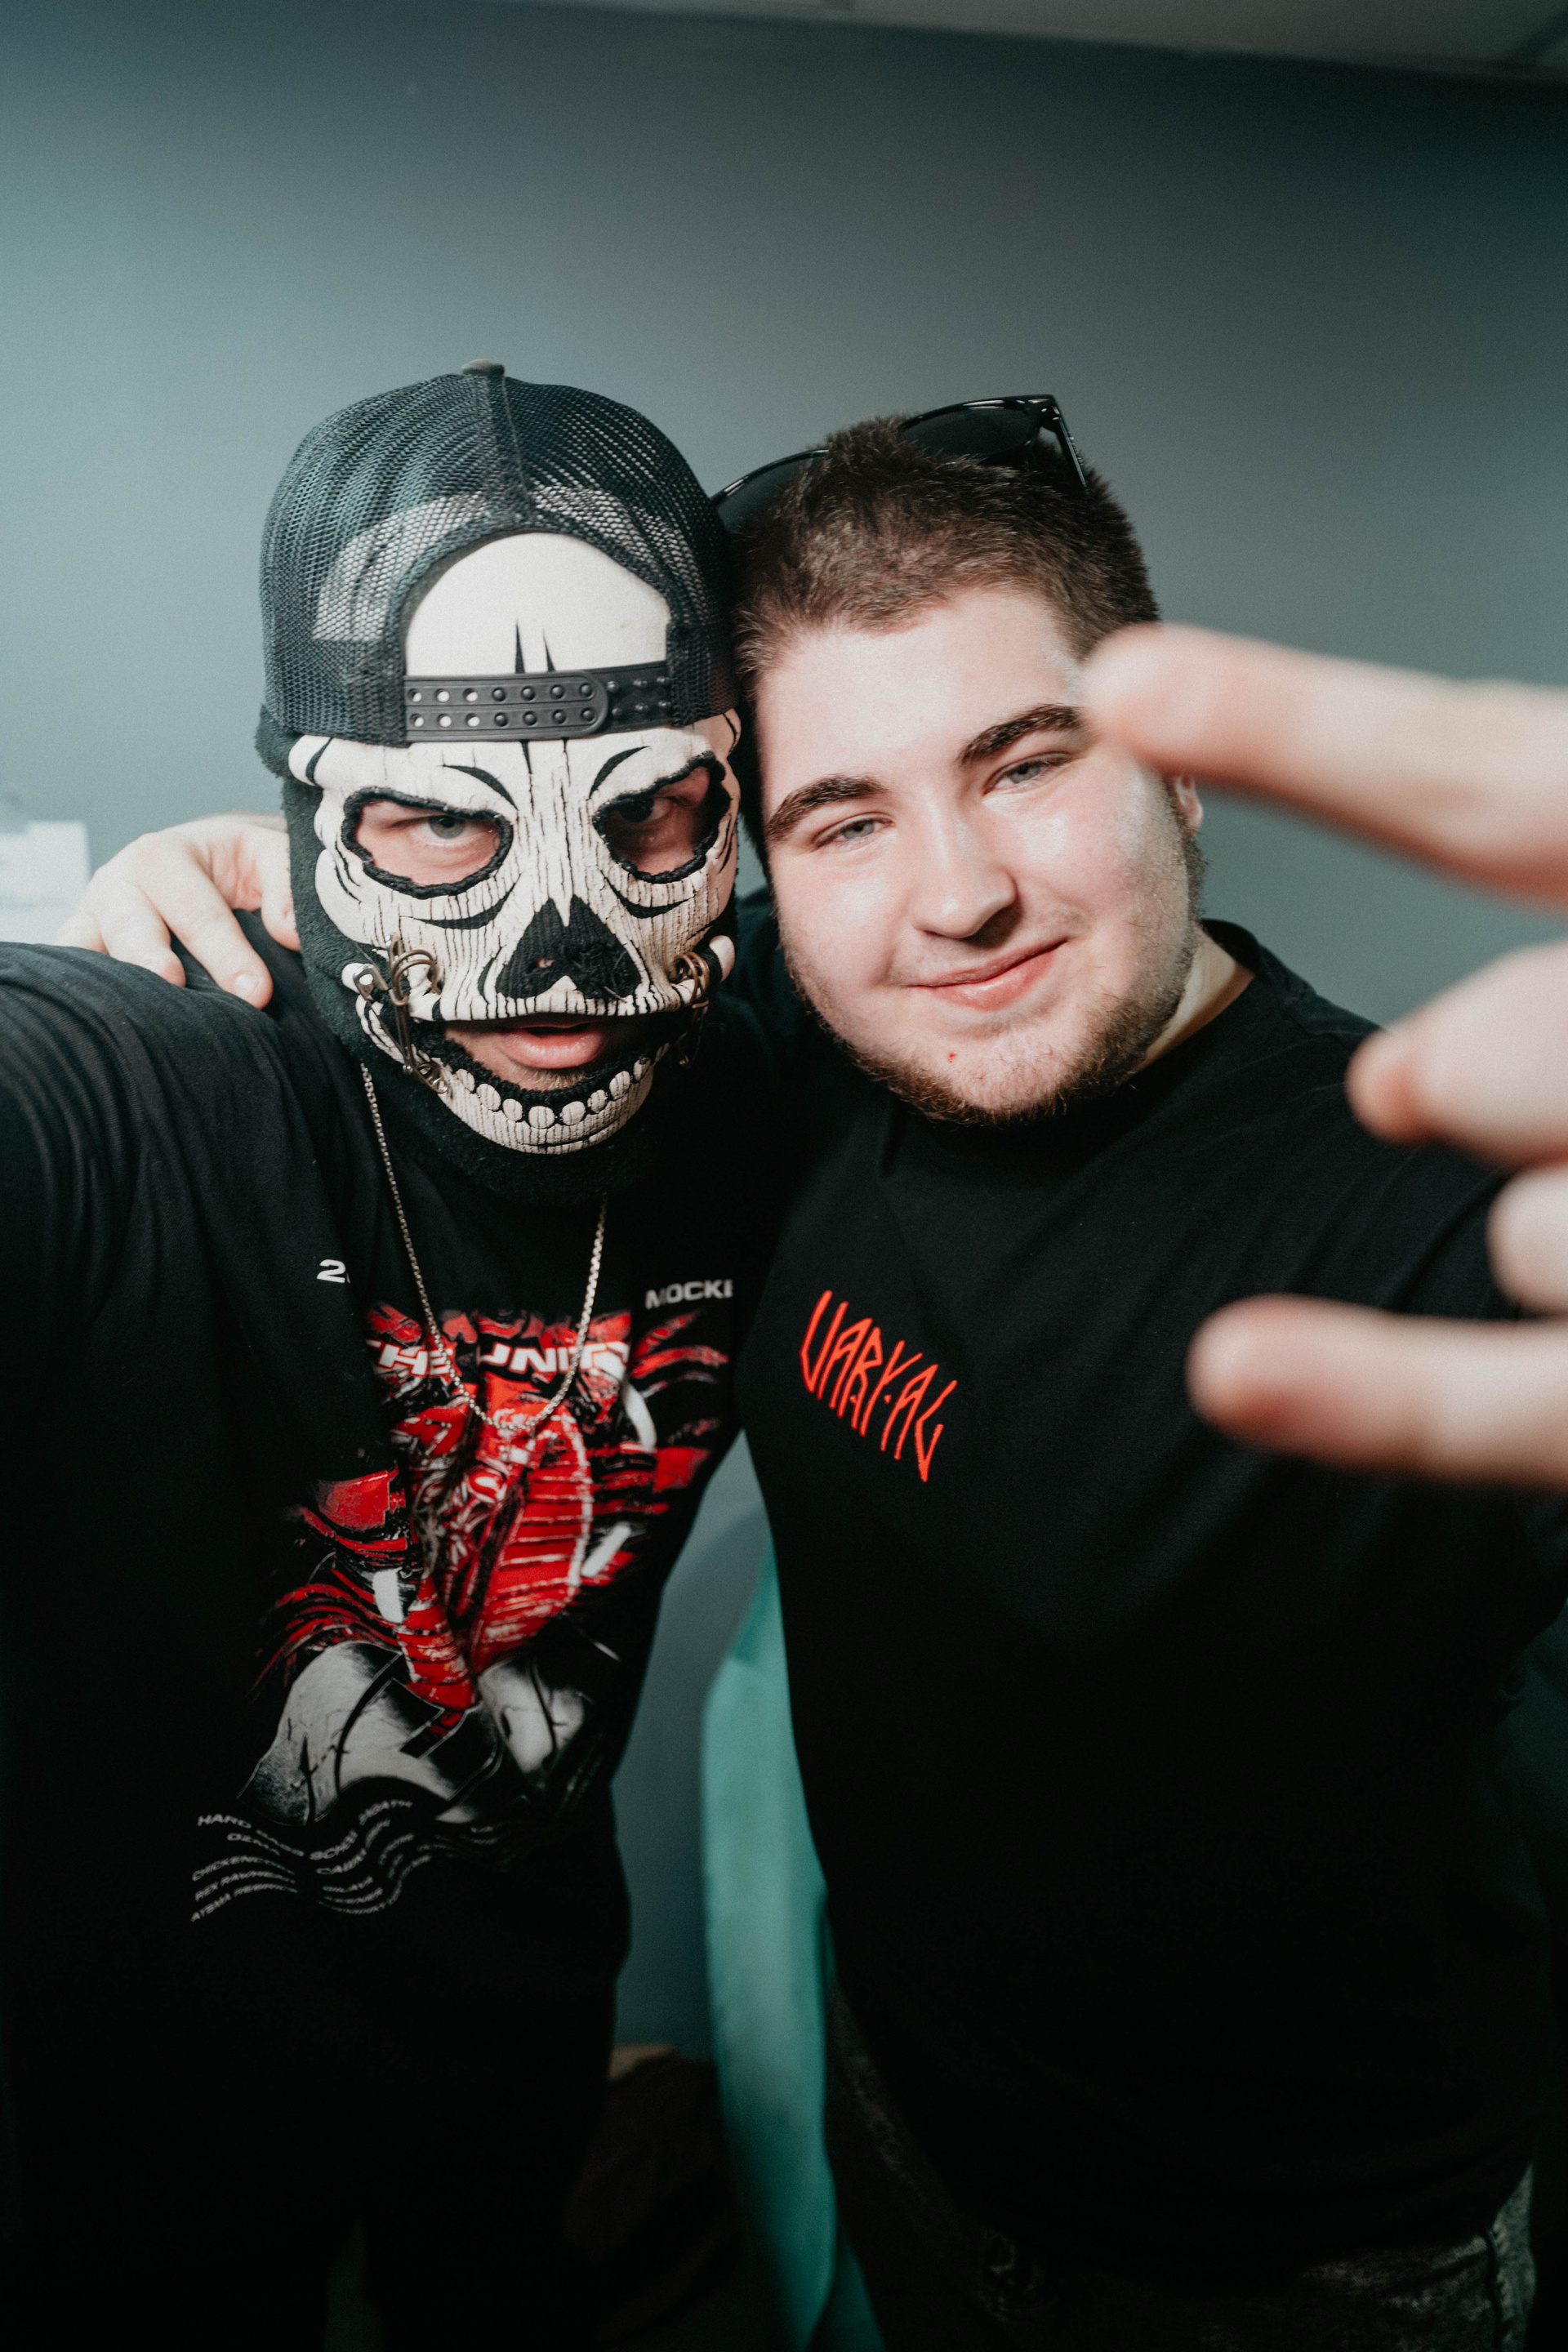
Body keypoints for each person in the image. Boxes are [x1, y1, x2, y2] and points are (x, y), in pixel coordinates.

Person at [73, 408, 1562, 2348]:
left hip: (1301, 2272)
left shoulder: (1436, 1226)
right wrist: (284, 882)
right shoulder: (788, 1050)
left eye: (1029, 765)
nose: (957, 898)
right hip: (911, 2133)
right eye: (844, 817)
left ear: (1183, 770)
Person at [0, 362, 780, 2347]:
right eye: (440, 825)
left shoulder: (776, 1065)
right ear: (310, 811)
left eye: (651, 814)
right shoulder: (160, 1079)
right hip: (122, 2098)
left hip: (512, 2025)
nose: (563, 953)